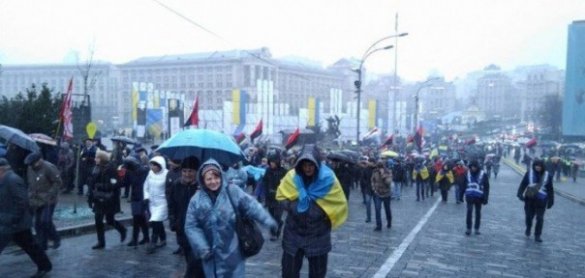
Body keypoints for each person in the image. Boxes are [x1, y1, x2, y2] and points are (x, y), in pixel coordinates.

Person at [184, 159, 277, 277]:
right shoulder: (196, 200)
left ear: (221, 177)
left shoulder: (232, 191)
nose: (213, 182)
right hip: (210, 256)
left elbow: (252, 206)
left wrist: (268, 221)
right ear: (203, 180)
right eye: (209, 179)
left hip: (233, 252)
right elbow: (191, 226)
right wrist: (202, 247)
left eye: (216, 177)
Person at [276, 145, 348, 278]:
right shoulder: (291, 177)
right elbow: (281, 197)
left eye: (311, 165)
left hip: (318, 235)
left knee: (317, 274)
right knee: (289, 273)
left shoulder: (327, 179)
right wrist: (293, 206)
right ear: (299, 165)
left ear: (317, 164)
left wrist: (320, 210)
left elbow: (338, 201)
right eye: (305, 165)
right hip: (293, 234)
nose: (308, 168)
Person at [0, 158, 52, 278]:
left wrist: (13, 218)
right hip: (8, 222)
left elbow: (22, 202)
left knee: (31, 247)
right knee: (31, 246)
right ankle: (45, 266)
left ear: (1, 169)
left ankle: (45, 266)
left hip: (17, 223)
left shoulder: (13, 180)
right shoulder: (4, 179)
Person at [167, 156, 205, 278]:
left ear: (197, 171)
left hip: (200, 232)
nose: (187, 174)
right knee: (190, 260)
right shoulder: (177, 185)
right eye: (184, 171)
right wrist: (173, 222)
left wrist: (203, 194)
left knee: (195, 264)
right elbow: (171, 204)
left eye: (191, 171)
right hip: (182, 230)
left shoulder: (203, 187)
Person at [88, 149, 127, 249]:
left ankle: (122, 229)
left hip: (109, 199)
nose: (95, 159)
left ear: (102, 159)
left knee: (109, 220)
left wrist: (100, 186)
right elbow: (91, 183)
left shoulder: (111, 169)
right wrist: (90, 197)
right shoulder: (95, 168)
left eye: (97, 157)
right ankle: (101, 242)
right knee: (98, 220)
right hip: (98, 198)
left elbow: (115, 184)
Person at [25, 152, 63, 250]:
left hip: (48, 200)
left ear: (39, 160)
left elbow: (58, 182)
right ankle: (43, 243)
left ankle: (52, 239)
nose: (32, 165)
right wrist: (29, 195)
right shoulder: (30, 168)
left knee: (45, 221)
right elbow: (30, 183)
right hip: (35, 200)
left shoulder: (49, 167)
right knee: (38, 223)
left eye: (34, 163)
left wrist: (49, 195)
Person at [517, 159, 554, 243]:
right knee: (529, 217)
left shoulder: (548, 175)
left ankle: (537, 235)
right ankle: (528, 227)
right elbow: (523, 184)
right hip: (530, 199)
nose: (538, 167)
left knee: (540, 218)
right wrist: (520, 194)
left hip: (542, 200)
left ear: (542, 167)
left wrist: (551, 201)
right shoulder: (529, 173)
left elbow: (550, 189)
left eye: (539, 166)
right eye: (536, 165)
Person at [143, 156, 169, 254]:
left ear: (160, 166)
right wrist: (146, 197)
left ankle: (152, 242)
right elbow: (146, 186)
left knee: (155, 221)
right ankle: (163, 239)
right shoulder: (150, 173)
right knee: (157, 221)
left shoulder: (167, 174)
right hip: (152, 202)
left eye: (154, 165)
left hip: (162, 202)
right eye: (151, 165)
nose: (152, 167)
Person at [122, 156, 150, 247]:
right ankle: (146, 237)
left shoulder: (145, 171)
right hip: (135, 197)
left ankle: (135, 239)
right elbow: (125, 183)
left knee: (137, 219)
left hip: (143, 197)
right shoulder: (130, 172)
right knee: (140, 218)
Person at [459, 161, 490, 236]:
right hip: (469, 196)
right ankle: (468, 228)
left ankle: (477, 228)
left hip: (479, 197)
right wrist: (461, 195)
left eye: (475, 167)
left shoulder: (483, 174)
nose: (473, 168)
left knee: (478, 213)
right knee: (469, 211)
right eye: (472, 166)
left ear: (477, 167)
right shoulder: (467, 173)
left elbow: (486, 187)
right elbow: (463, 185)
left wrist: (486, 198)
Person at [262, 152, 287, 241]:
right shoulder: (268, 170)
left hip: (279, 198)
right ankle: (278, 225)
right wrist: (266, 192)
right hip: (270, 197)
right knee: (271, 216)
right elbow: (264, 181)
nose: (271, 163)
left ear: (277, 161)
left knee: (277, 216)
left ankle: (275, 234)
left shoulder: (283, 171)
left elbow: (287, 183)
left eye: (273, 161)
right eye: (270, 161)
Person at [165, 158, 183, 255]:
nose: (169, 164)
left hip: (182, 203)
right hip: (173, 203)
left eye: (171, 162)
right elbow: (167, 188)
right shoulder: (170, 173)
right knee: (176, 225)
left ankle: (184, 245)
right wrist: (169, 199)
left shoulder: (183, 173)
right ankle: (180, 245)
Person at [371, 160, 393, 231]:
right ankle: (378, 225)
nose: (379, 167)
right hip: (378, 193)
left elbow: (388, 182)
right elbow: (372, 180)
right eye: (379, 165)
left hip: (386, 194)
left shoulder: (388, 172)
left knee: (387, 209)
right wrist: (374, 189)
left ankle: (389, 221)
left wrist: (383, 174)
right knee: (377, 209)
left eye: (381, 166)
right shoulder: (375, 172)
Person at [358, 158, 374, 223]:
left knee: (377, 206)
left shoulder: (376, 169)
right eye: (369, 161)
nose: (370, 163)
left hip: (376, 189)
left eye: (371, 162)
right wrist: (366, 184)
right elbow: (363, 178)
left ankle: (377, 218)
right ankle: (368, 217)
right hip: (368, 188)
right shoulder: (365, 169)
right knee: (368, 204)